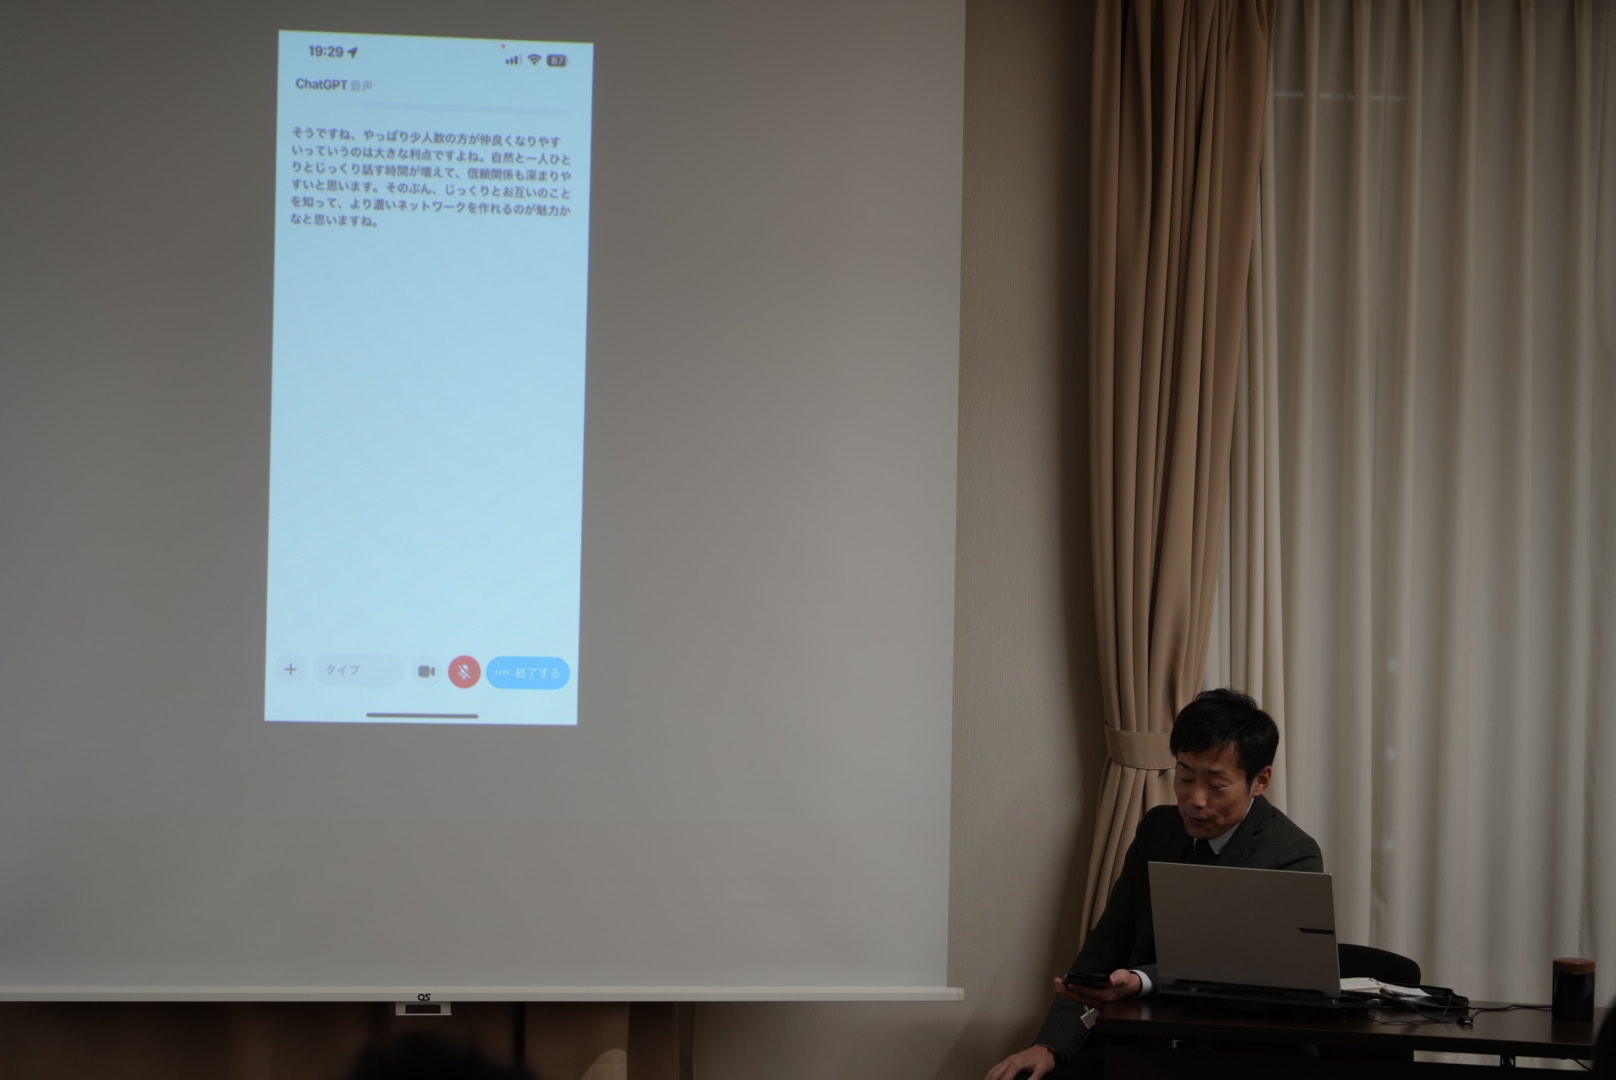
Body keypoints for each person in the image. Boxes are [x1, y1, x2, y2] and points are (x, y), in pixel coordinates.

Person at [985, 688, 1323, 1080]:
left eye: (1216, 785)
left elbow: (1249, 969)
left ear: (1260, 780)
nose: (1195, 799)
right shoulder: (1158, 829)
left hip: (1241, 1049)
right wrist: (1049, 1045)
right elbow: (1107, 941)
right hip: (1144, 1039)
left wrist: (1142, 980)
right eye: (1185, 776)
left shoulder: (1291, 854)